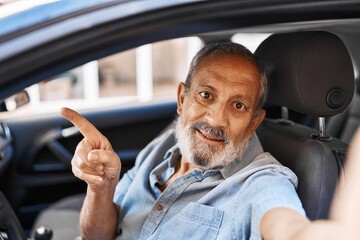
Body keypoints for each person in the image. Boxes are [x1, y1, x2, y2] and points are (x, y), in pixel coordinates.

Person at [60, 42, 360, 240]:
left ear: (255, 121)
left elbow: (285, 225)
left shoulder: (261, 181)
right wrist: (101, 188)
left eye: (238, 105)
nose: (216, 119)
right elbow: (96, 236)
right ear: (182, 99)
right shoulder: (161, 149)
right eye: (206, 95)